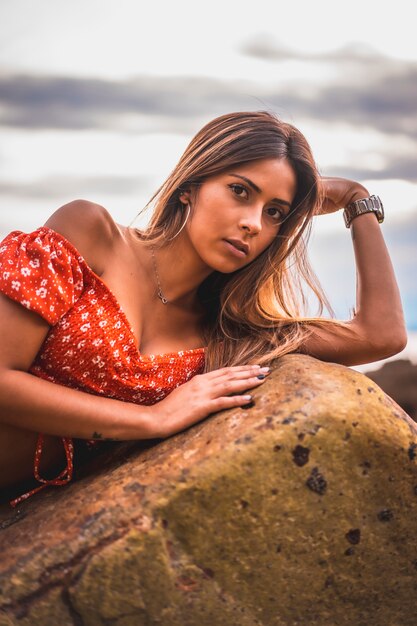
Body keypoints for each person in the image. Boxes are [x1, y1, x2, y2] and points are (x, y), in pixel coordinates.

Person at [0, 111, 407, 506]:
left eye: (275, 213)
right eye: (240, 191)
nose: (253, 223)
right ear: (189, 185)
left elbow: (381, 335)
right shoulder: (92, 233)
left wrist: (358, 202)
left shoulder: (231, 331)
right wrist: (152, 418)